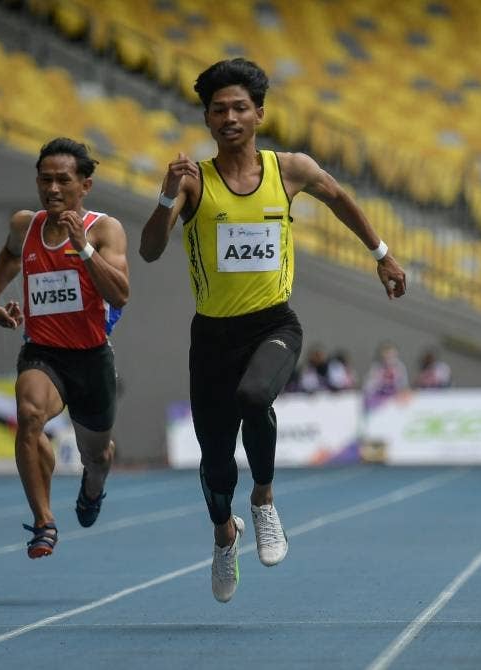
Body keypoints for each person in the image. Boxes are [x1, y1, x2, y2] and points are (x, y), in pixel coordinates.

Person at [139, 58, 406, 603]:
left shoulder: (290, 169)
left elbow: (339, 197)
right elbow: (147, 250)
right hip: (212, 336)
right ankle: (223, 532)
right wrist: (168, 194)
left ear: (259, 112)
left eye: (240, 107)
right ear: (208, 120)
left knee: (257, 393)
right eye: (219, 110)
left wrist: (381, 254)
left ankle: (262, 500)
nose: (230, 117)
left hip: (273, 323)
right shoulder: (195, 182)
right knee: (215, 466)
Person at [0, 137, 129, 559]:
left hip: (91, 356)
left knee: (96, 455)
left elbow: (120, 295)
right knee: (28, 416)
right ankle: (44, 521)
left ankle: (93, 484)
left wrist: (82, 248)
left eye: (63, 180)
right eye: (45, 180)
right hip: (43, 352)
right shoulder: (24, 225)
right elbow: (10, 255)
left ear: (86, 185)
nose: (53, 189)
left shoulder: (104, 229)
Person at [362, 341, 409, 410]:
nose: (390, 359)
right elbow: (367, 387)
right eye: (387, 356)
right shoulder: (376, 367)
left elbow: (404, 385)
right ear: (382, 356)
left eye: (392, 356)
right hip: (379, 398)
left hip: (396, 400)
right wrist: (379, 378)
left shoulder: (400, 367)